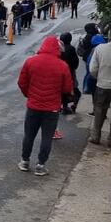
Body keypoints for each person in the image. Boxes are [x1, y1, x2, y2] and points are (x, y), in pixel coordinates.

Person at [17, 36, 74, 176]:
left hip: (33, 105)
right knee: (47, 137)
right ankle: (41, 165)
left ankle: (25, 161)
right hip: (52, 108)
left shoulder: (30, 61)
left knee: (29, 135)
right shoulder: (62, 65)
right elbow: (67, 88)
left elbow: (22, 82)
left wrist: (29, 95)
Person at [59, 32, 81, 114]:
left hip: (59, 73)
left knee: (61, 91)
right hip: (70, 72)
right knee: (75, 91)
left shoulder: (59, 49)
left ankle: (62, 106)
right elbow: (75, 62)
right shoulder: (71, 49)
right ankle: (72, 106)